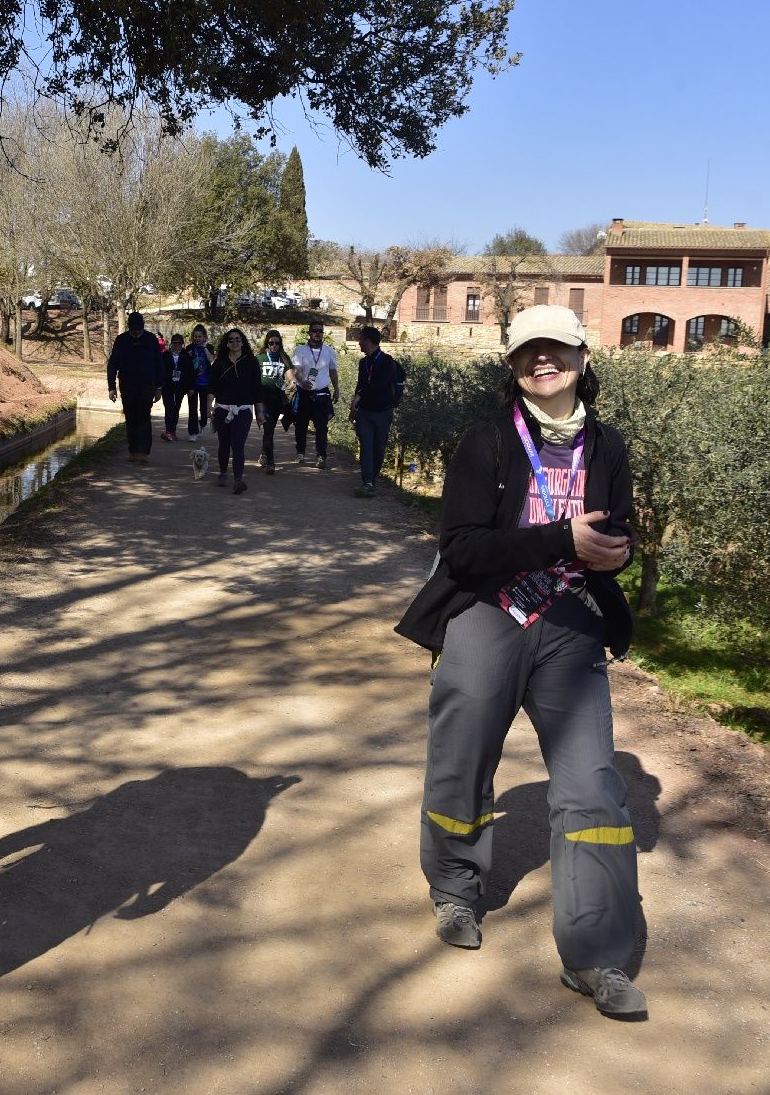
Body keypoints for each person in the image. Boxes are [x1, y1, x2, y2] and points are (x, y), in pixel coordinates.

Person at [394, 305, 646, 1021]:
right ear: (512, 364)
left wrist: (618, 554)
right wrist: (560, 539)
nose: (543, 361)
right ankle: (455, 889)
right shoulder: (487, 441)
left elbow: (618, 531)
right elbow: (463, 547)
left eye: (556, 349)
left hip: (571, 623)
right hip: (488, 611)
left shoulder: (608, 446)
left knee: (593, 787)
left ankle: (595, 954)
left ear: (583, 358)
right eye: (529, 351)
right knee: (463, 753)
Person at [349, 325, 406, 496]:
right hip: (364, 413)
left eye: (360, 339)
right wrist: (354, 405)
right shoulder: (363, 362)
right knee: (366, 447)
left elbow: (380, 384)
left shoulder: (386, 361)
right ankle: (367, 483)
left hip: (383, 412)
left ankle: (372, 480)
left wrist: (361, 395)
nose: (358, 343)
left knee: (379, 449)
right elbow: (361, 384)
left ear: (368, 341)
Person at [208, 327, 263, 493]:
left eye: (238, 339)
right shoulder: (219, 362)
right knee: (224, 443)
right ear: (226, 343)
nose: (235, 342)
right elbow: (212, 387)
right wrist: (209, 406)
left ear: (243, 342)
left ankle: (238, 480)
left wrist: (260, 412)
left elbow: (257, 389)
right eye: (231, 340)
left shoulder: (251, 362)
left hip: (243, 410)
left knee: (238, 443)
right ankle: (223, 472)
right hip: (223, 409)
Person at [107, 311, 163, 462]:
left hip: (147, 385)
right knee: (131, 417)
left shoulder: (151, 339)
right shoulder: (121, 340)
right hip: (127, 385)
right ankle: (133, 450)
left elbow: (159, 364)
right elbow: (112, 365)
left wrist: (159, 387)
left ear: (143, 326)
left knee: (144, 417)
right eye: (133, 329)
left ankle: (143, 452)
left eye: (139, 329)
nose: (136, 332)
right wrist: (111, 387)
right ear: (129, 327)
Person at [291, 320, 339, 468]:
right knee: (301, 425)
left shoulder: (329, 351)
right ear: (309, 333)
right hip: (304, 392)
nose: (317, 333)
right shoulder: (300, 350)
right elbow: (296, 369)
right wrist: (302, 380)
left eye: (320, 331)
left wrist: (336, 388)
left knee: (321, 427)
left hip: (322, 394)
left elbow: (333, 371)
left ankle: (321, 456)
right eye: (314, 330)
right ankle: (300, 452)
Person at [255, 329, 294, 474]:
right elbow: (253, 378)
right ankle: (271, 462)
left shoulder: (283, 357)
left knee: (269, 430)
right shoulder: (259, 358)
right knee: (268, 429)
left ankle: (264, 453)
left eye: (277, 343)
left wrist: (292, 383)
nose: (274, 346)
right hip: (262, 400)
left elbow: (290, 375)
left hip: (277, 399)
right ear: (267, 343)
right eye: (271, 343)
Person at [184, 323, 214, 440]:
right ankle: (193, 433)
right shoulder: (189, 348)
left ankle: (202, 424)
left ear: (204, 337)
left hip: (206, 383)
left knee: (204, 408)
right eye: (195, 336)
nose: (197, 339)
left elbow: (211, 359)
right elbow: (187, 367)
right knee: (192, 408)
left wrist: (205, 347)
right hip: (193, 383)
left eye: (200, 336)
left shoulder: (209, 347)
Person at [160, 333, 189, 442]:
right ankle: (168, 431)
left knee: (176, 408)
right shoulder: (165, 355)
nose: (177, 345)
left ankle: (173, 431)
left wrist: (189, 387)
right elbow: (161, 370)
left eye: (179, 343)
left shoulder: (186, 355)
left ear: (182, 344)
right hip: (167, 385)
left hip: (180, 386)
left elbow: (189, 371)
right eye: (174, 343)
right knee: (169, 407)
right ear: (171, 344)